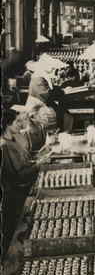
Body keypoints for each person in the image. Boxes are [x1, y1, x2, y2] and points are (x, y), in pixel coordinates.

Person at [1, 108, 51, 252]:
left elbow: (25, 161)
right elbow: (18, 176)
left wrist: (41, 154)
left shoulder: (15, 139)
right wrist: (38, 164)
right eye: (16, 122)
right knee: (13, 232)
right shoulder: (4, 146)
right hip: (15, 196)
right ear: (7, 125)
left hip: (24, 186)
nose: (20, 124)